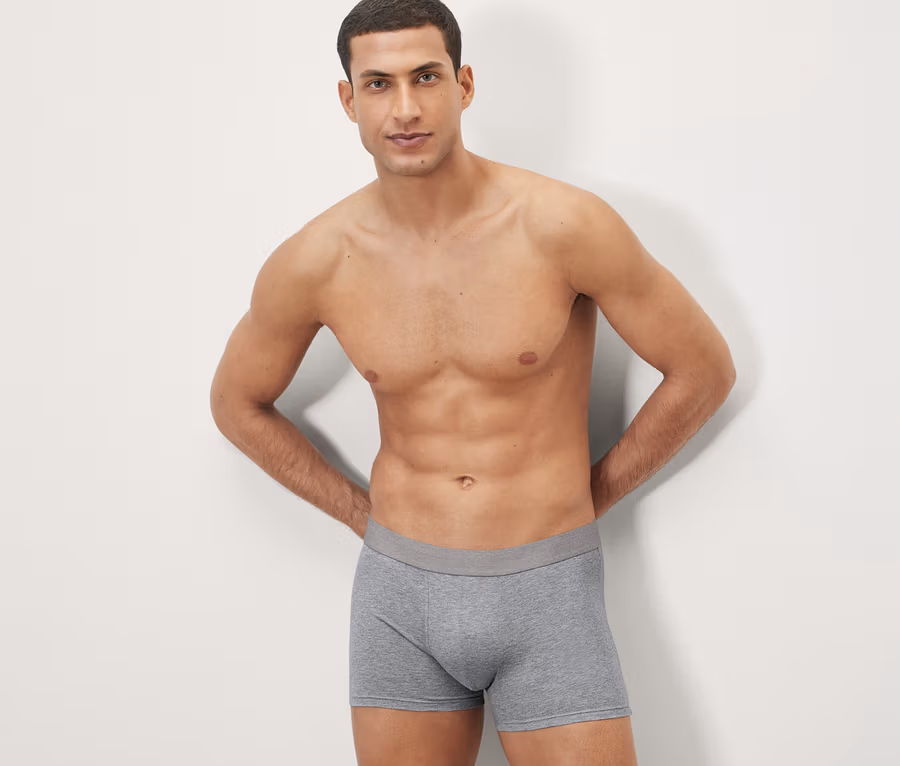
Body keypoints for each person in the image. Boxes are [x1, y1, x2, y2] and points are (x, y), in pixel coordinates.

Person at [210, 0, 736, 763]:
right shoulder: (317, 259)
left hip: (548, 588)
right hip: (400, 597)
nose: (406, 108)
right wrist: (358, 512)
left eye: (426, 77)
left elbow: (703, 369)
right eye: (380, 84)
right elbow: (236, 403)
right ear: (349, 100)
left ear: (463, 85)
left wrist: (591, 496)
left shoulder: (562, 224)